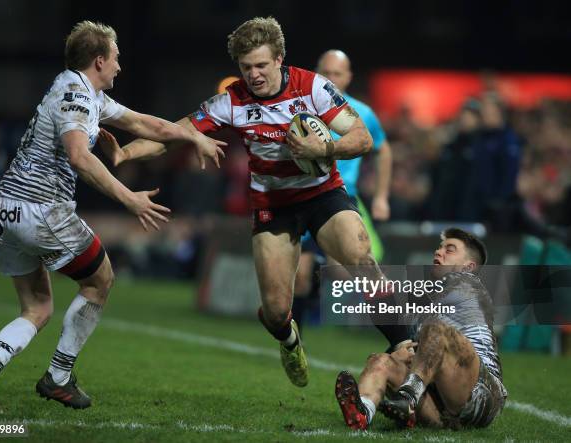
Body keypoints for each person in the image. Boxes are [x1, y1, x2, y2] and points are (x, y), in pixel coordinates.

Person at [103, 17, 409, 388]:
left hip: (322, 194)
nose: (255, 75)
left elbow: (361, 138)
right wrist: (125, 154)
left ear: (279, 58)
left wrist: (323, 147)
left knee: (361, 256)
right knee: (278, 311)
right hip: (273, 206)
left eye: (261, 65)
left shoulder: (312, 87)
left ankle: (407, 345)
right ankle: (288, 339)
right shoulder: (231, 100)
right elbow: (173, 132)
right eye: (246, 68)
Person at [0, 20, 224, 410]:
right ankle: (59, 378)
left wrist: (194, 135)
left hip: (5, 213)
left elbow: (141, 122)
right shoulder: (76, 95)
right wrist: (129, 198)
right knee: (101, 279)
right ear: (99, 60)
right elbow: (80, 156)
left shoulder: (82, 91)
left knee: (37, 308)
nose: (120, 65)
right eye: (116, 58)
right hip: (41, 208)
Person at [335, 228, 507, 430]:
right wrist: (397, 354)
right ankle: (363, 412)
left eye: (449, 250)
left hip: (483, 392)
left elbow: (403, 315)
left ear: (468, 267)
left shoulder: (467, 284)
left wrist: (374, 279)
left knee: (438, 331)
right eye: (439, 247)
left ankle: (407, 398)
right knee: (380, 361)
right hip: (442, 400)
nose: (438, 252)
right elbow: (408, 335)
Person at [292, 49, 392, 332]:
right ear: (316, 73)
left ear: (348, 77)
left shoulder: (363, 113)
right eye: (326, 73)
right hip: (304, 195)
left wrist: (382, 196)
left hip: (341, 198)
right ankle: (295, 342)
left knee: (346, 270)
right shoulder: (301, 108)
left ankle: (400, 334)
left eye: (337, 74)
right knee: (299, 275)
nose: (331, 79)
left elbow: (383, 151)